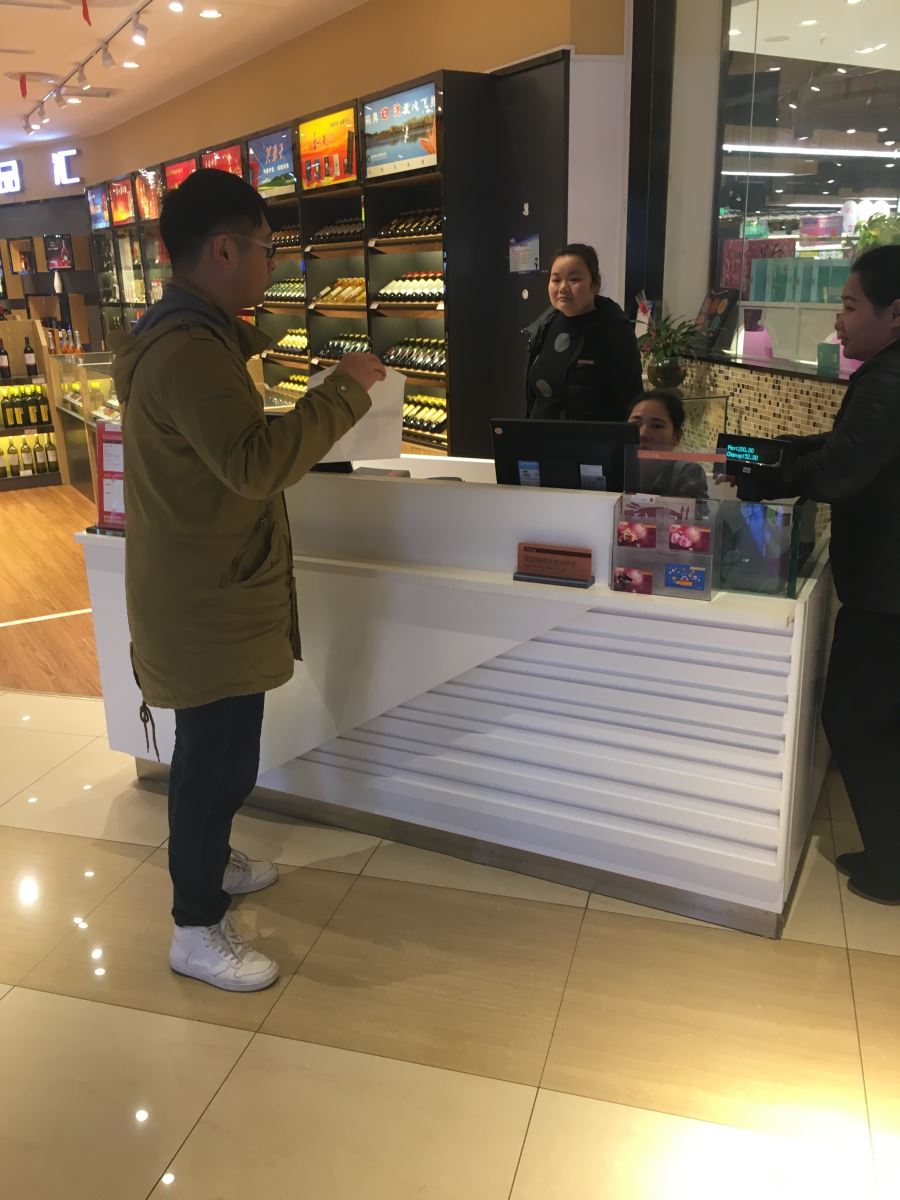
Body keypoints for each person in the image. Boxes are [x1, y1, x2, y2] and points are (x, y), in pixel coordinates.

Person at [114, 169, 385, 991]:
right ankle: (194, 927)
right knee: (210, 762)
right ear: (224, 250)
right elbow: (255, 464)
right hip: (206, 600)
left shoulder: (191, 336)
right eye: (268, 247)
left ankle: (212, 865)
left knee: (227, 753)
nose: (273, 263)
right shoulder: (191, 351)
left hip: (212, 590)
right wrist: (345, 392)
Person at [734, 245, 900, 904]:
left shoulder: (888, 381)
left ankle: (891, 866)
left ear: (895, 313)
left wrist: (769, 475)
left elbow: (839, 472)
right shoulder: (885, 374)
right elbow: (847, 449)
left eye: (851, 305)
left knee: (855, 719)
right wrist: (782, 452)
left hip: (886, 593)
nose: (839, 319)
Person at [525, 243, 643, 421]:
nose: (563, 287)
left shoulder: (614, 331)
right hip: (540, 435)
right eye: (556, 280)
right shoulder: (546, 325)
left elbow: (630, 401)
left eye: (574, 279)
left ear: (595, 283)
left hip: (593, 437)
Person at [627, 390, 708, 499]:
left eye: (656, 426)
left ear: (676, 436)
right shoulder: (612, 468)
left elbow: (695, 509)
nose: (642, 434)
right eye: (635, 424)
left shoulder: (686, 472)